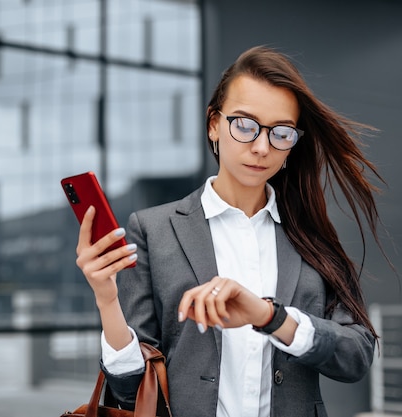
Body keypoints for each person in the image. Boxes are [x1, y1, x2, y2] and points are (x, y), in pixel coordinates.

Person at [75, 45, 386, 417]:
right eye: (244, 124)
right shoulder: (154, 231)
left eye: (281, 133)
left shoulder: (311, 237)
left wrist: (269, 316)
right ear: (213, 124)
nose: (260, 146)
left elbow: (355, 356)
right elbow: (130, 392)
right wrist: (107, 302)